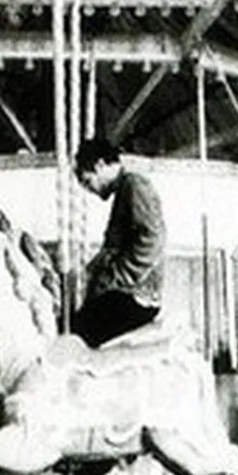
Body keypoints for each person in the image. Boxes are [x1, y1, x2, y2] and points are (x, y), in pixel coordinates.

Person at [71, 138, 165, 348]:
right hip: (129, 292)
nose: (89, 189)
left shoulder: (134, 185)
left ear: (100, 165)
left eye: (87, 181)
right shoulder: (126, 187)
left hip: (135, 296)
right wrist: (91, 270)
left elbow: (152, 238)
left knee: (74, 333)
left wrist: (116, 276)